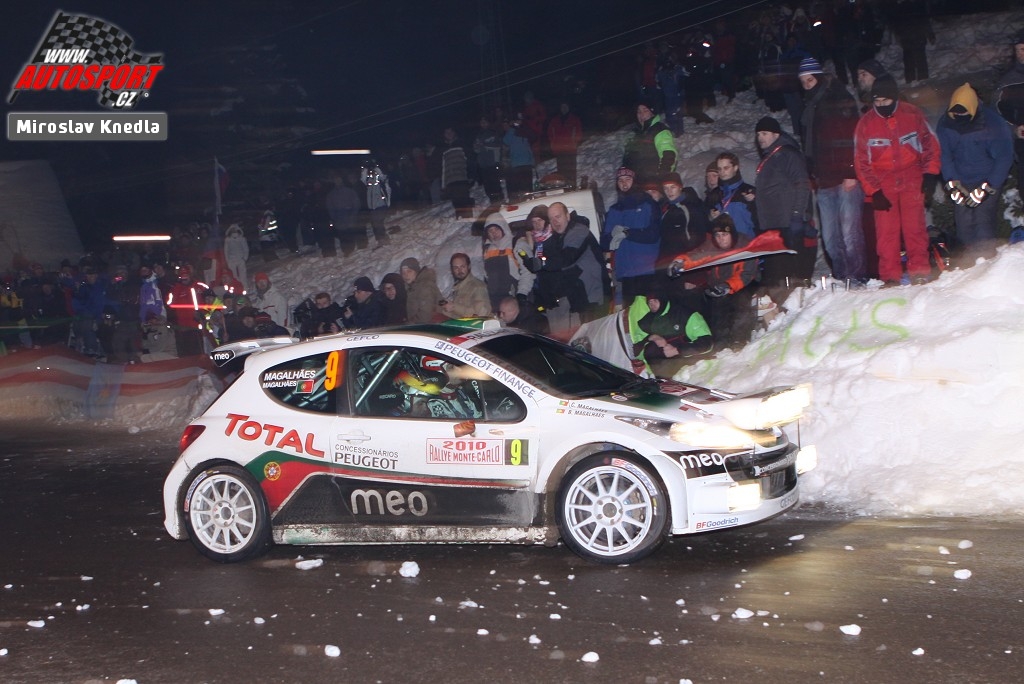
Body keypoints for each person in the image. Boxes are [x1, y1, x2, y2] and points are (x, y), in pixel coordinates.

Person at [854, 76, 941, 285]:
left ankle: (919, 271)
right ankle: (890, 276)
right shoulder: (866, 123)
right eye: (877, 101)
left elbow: (931, 145)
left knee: (915, 228)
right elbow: (861, 161)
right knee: (886, 233)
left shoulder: (912, 114)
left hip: (912, 177)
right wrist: (874, 191)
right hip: (883, 182)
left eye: (885, 100)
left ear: (894, 98)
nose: (881, 105)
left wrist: (930, 175)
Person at [798, 57, 866, 284]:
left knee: (849, 233)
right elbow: (810, 144)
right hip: (824, 180)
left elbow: (851, 137)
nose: (807, 85)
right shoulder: (810, 107)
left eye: (810, 80)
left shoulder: (838, 98)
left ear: (818, 78)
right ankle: (842, 277)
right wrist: (812, 172)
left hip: (845, 177)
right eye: (803, 82)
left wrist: (850, 172)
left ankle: (856, 278)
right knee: (830, 238)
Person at [937, 83, 1014, 264]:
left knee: (983, 219)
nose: (960, 117)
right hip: (961, 180)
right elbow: (943, 155)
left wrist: (988, 187)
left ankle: (986, 262)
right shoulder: (946, 124)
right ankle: (967, 264)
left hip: (986, 178)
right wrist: (952, 183)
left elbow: (1004, 157)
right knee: (963, 221)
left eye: (964, 113)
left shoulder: (992, 123)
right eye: (956, 114)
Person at [669, 214, 758, 350]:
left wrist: (727, 286)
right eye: (718, 235)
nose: (721, 239)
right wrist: (680, 262)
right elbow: (696, 255)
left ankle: (739, 340)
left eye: (724, 235)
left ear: (732, 234)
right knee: (713, 304)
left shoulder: (745, 245)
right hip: (719, 286)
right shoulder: (712, 245)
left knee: (740, 301)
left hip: (743, 284)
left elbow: (746, 274)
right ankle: (719, 343)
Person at [753, 116, 814, 292]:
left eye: (764, 133)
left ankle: (797, 299)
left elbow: (802, 184)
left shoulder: (787, 154)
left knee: (792, 272)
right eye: (758, 134)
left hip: (787, 223)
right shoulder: (771, 156)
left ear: (776, 134)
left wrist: (797, 215)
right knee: (778, 273)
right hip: (774, 224)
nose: (760, 138)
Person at [601, 167, 661, 305]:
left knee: (650, 311)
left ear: (635, 182)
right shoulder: (614, 210)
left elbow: (653, 234)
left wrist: (627, 233)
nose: (624, 183)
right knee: (631, 313)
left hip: (647, 270)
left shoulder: (648, 204)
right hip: (626, 272)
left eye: (628, 179)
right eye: (620, 180)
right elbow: (604, 242)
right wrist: (611, 237)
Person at [657, 171, 709, 309]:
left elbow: (698, 243)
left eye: (672, 187)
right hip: (669, 270)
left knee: (690, 309)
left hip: (685, 270)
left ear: (680, 187)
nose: (669, 191)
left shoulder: (690, 209)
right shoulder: (666, 209)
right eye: (666, 188)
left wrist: (693, 276)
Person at [634, 288, 713, 377]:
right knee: (651, 348)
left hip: (691, 368)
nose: (652, 305)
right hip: (660, 372)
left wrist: (677, 350)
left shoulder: (685, 315)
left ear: (662, 300)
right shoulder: (645, 322)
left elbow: (706, 344)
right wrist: (651, 337)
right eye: (649, 302)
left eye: (655, 300)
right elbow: (636, 351)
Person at [621, 100, 678, 184]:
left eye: (645, 110)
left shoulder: (660, 130)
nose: (642, 114)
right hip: (636, 183)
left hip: (653, 183)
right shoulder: (635, 133)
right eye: (639, 112)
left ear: (652, 113)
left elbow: (669, 155)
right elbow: (628, 159)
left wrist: (661, 178)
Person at [995, 29, 1024, 186]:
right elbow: (997, 111)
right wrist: (1014, 129)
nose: (1021, 53)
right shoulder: (1009, 80)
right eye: (1018, 49)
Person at [707, 152, 758, 238]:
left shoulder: (749, 191)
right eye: (719, 169)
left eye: (726, 168)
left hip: (747, 241)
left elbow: (762, 220)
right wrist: (711, 217)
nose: (722, 172)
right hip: (723, 242)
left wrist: (753, 202)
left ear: (735, 168)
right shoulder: (714, 194)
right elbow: (706, 224)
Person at [481, 214, 523, 312]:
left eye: (496, 229)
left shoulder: (515, 244)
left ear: (503, 227)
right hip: (496, 299)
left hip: (514, 296)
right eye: (490, 231)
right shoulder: (487, 250)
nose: (494, 233)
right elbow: (486, 275)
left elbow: (526, 272)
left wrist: (522, 293)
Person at [440, 253, 491, 319]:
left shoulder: (478, 287)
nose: (459, 271)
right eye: (456, 268)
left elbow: (481, 314)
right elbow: (457, 315)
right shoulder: (458, 287)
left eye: (462, 267)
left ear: (469, 266)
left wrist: (454, 307)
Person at [439, 127, 474, 218]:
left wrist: (471, 175)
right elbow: (443, 167)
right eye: (446, 132)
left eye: (450, 132)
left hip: (462, 177)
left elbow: (470, 159)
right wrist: (443, 184)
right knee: (456, 202)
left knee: (464, 199)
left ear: (454, 133)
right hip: (450, 179)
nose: (449, 134)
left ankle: (468, 218)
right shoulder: (443, 149)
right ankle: (460, 218)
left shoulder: (461, 144)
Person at [547, 101, 583, 187]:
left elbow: (579, 133)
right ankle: (563, 187)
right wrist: (553, 144)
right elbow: (550, 133)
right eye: (562, 107)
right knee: (561, 170)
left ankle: (572, 187)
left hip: (570, 149)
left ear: (569, 107)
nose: (564, 109)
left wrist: (574, 142)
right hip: (559, 149)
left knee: (570, 170)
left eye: (565, 106)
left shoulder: (574, 119)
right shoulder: (555, 120)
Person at [400, 257, 441, 324]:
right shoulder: (411, 286)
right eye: (403, 273)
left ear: (416, 271)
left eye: (409, 271)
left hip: (428, 327)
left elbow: (425, 315)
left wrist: (409, 324)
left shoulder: (425, 286)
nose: (406, 275)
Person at [503, 113, 535, 197]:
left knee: (528, 188)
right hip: (516, 164)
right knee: (520, 188)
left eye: (520, 120)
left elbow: (533, 137)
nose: (518, 122)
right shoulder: (511, 131)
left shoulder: (525, 129)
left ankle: (530, 200)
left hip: (527, 163)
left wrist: (522, 127)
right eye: (517, 120)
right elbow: (506, 141)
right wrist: (513, 128)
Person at [473, 116, 504, 203]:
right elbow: (476, 150)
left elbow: (498, 146)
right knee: (487, 185)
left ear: (488, 123)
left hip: (492, 163)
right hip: (483, 165)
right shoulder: (479, 135)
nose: (483, 124)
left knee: (495, 183)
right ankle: (492, 201)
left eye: (484, 122)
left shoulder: (493, 133)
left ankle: (499, 201)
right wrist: (477, 147)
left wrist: (485, 145)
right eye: (481, 122)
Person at [360, 160, 392, 247]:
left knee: (378, 222)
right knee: (375, 224)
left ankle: (382, 239)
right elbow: (363, 179)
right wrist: (365, 168)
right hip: (372, 206)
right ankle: (381, 239)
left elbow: (382, 176)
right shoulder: (369, 182)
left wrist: (375, 167)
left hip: (381, 204)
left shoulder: (381, 180)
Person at [223, 224, 249, 289]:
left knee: (243, 276)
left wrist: (244, 258)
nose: (234, 232)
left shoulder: (241, 239)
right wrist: (228, 261)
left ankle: (244, 289)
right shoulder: (228, 240)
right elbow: (226, 251)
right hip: (232, 260)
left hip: (240, 259)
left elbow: (246, 249)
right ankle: (236, 289)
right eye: (233, 230)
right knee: (233, 276)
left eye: (235, 230)